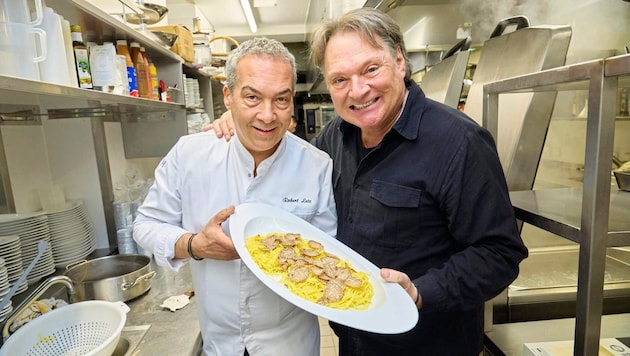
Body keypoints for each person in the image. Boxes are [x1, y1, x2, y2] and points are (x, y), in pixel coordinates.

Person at [210, 7, 528, 356]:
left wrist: (421, 292)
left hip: (428, 345)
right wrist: (244, 119)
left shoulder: (458, 142)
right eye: (340, 80)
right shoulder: (336, 135)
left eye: (370, 69)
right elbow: (288, 166)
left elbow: (500, 253)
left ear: (400, 62)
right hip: (354, 340)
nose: (358, 91)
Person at [133, 37, 337, 356]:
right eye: (252, 97)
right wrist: (193, 245)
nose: (267, 115)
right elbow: (145, 225)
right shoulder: (190, 155)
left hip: (290, 344)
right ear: (228, 97)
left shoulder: (316, 166)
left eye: (281, 100)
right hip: (220, 343)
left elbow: (328, 254)